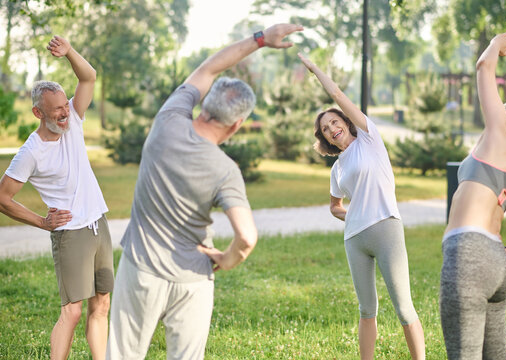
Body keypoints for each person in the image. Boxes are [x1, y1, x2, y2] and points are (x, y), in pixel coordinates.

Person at [106, 23, 303, 360]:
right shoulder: (226, 170)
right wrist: (225, 260)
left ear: (205, 104)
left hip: (141, 269)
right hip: (194, 278)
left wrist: (259, 39)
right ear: (237, 124)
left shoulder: (168, 120)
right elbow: (247, 237)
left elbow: (210, 67)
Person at [298, 53, 425, 360]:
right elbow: (334, 206)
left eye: (334, 121)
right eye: (326, 129)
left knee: (404, 307)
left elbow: (337, 95)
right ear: (325, 138)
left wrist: (315, 70)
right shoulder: (337, 168)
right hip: (355, 238)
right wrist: (352, 214)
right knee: (367, 310)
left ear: (346, 121)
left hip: (386, 228)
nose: (331, 129)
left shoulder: (369, 138)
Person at [0, 36, 112, 360]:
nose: (65, 113)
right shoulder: (30, 152)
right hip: (70, 232)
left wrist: (69, 53)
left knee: (101, 303)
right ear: (38, 112)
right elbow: (3, 197)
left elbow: (88, 77)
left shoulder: (74, 118)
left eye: (66, 106)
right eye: (57, 110)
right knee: (72, 312)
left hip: (98, 222)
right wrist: (42, 222)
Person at [440, 32, 506, 360]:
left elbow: (484, 67)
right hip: (496, 265)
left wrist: (495, 45)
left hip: (466, 258)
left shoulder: (500, 135)